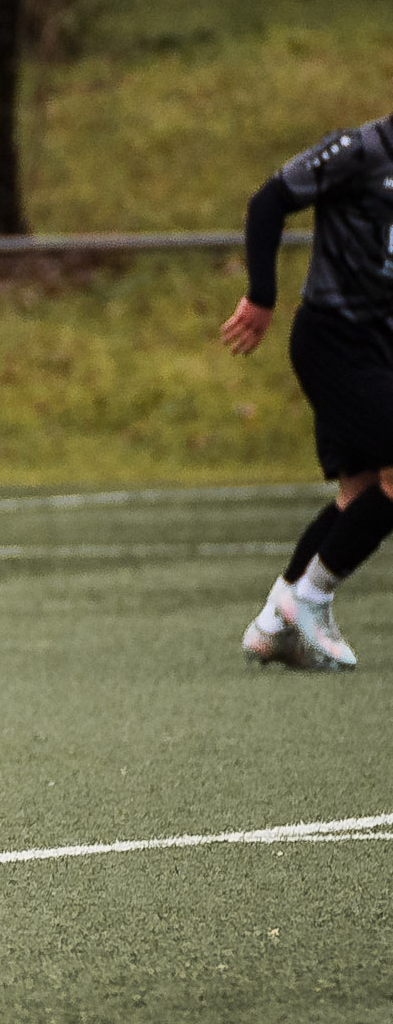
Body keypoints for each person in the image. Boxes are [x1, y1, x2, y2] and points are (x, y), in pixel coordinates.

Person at [223, 105, 393, 671]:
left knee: (360, 491)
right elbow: (269, 200)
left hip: (379, 346)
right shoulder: (359, 151)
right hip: (334, 340)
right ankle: (310, 600)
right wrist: (261, 295)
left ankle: (273, 623)